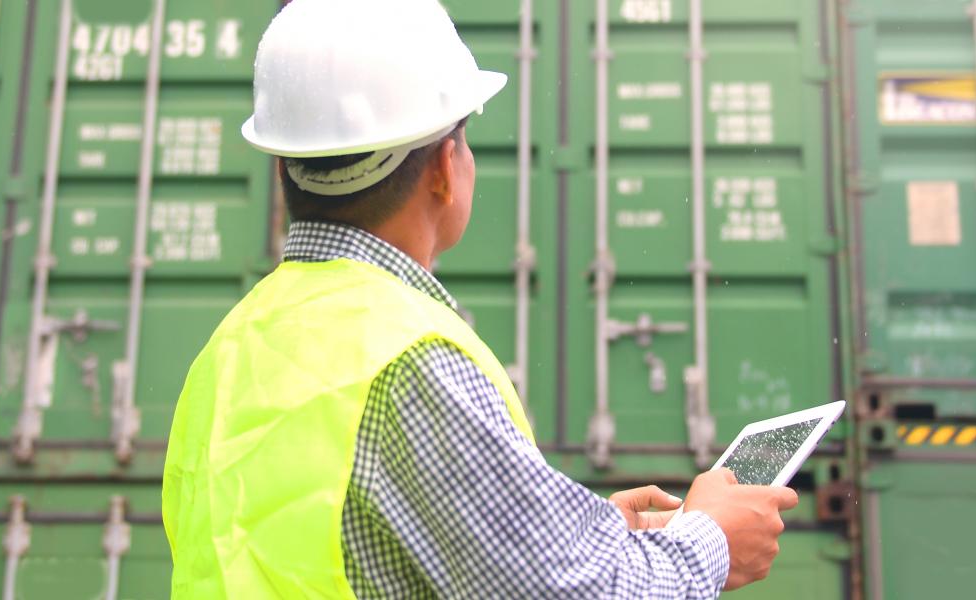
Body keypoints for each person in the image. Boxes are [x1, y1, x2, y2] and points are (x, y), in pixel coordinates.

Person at [161, 0, 798, 596]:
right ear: (444, 167)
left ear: (285, 164)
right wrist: (713, 539)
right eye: (465, 138)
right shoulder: (404, 362)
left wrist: (577, 529)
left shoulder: (235, 343)